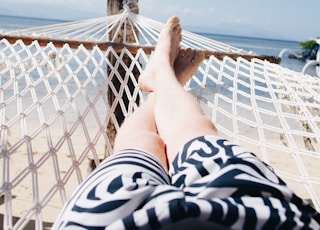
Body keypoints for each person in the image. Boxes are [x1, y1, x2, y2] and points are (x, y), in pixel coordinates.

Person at [53, 16, 320, 229]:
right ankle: (165, 79)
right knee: (196, 135)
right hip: (257, 213)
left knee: (144, 144)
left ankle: (162, 80)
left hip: (111, 218)